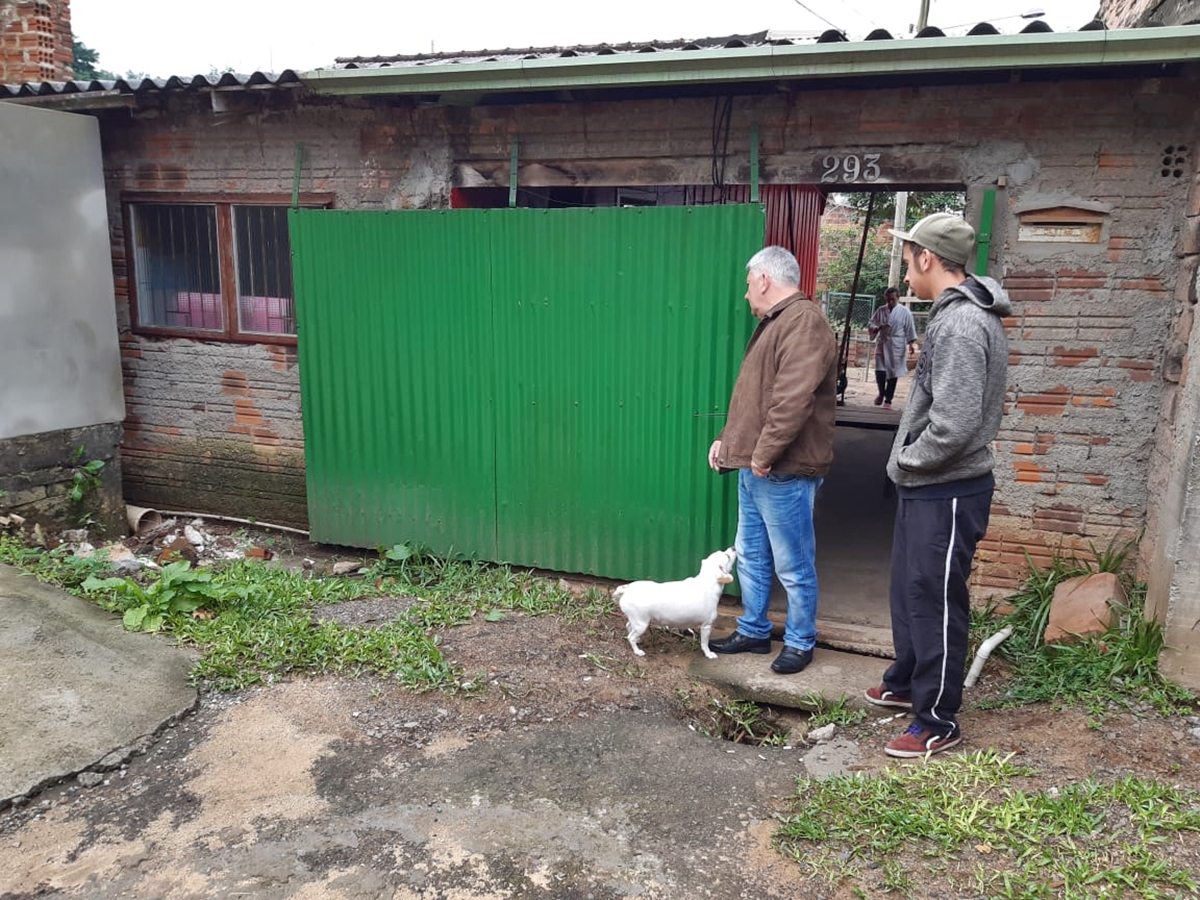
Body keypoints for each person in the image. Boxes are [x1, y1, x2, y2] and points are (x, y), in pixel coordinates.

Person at [863, 213, 1010, 758]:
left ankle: (937, 719)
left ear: (927, 258)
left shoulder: (963, 324)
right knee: (910, 590)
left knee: (935, 601)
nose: (905, 273)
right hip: (929, 486)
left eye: (908, 261)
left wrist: (906, 461)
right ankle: (907, 680)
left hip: (947, 488)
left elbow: (955, 424)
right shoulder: (951, 316)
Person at [706, 246, 838, 675]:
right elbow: (755, 399)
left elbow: (792, 401)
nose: (746, 294)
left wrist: (762, 455)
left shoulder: (803, 323)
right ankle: (754, 630)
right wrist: (727, 442)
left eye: (748, 284)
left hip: (783, 470)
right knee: (751, 556)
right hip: (758, 467)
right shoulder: (777, 322)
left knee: (793, 565)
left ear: (764, 279)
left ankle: (800, 641)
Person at [867, 287, 919, 409]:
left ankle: (888, 400)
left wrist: (911, 344)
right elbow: (871, 323)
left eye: (893, 300)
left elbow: (910, 328)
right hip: (883, 342)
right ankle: (881, 393)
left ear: (898, 298)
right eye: (888, 300)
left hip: (896, 344)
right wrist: (876, 328)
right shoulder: (881, 310)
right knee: (879, 370)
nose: (890, 302)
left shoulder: (905, 312)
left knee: (893, 372)